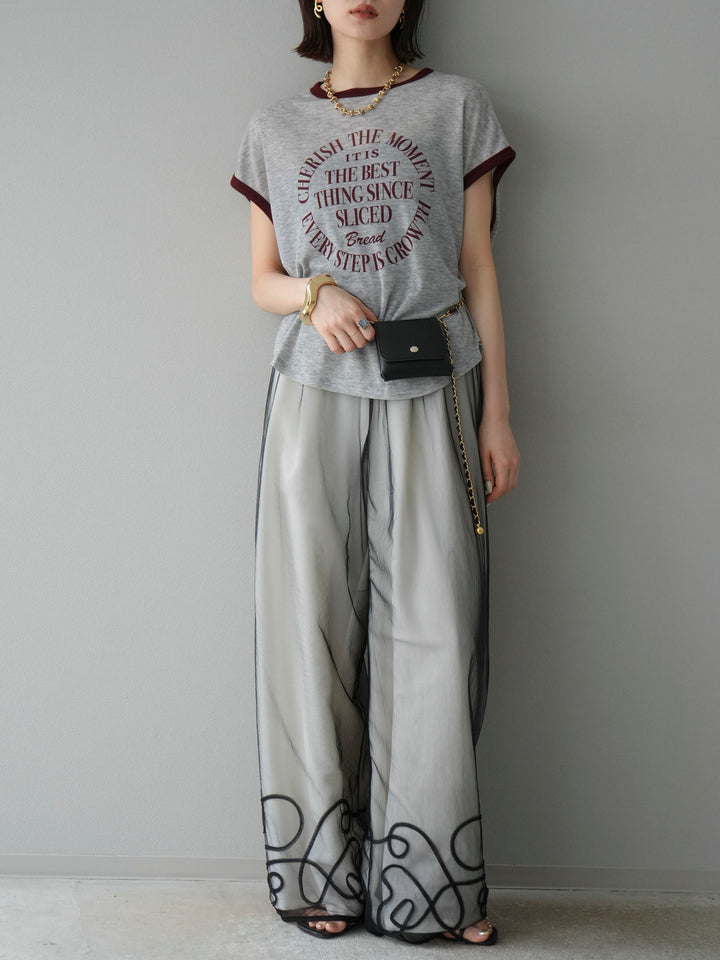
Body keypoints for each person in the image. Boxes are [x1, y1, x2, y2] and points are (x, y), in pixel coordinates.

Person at [230, 0, 520, 946]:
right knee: (306, 621)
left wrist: (499, 412)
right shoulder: (276, 126)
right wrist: (315, 293)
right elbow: (262, 280)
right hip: (311, 393)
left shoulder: (456, 106)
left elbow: (479, 266)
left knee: (433, 624)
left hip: (432, 381)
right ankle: (321, 874)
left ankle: (432, 886)